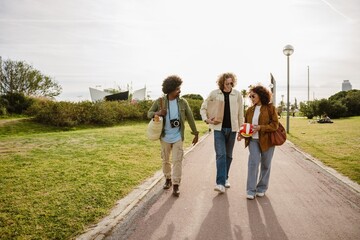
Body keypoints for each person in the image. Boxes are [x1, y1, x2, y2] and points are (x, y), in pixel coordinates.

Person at [147, 75, 199, 197]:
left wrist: (195, 133)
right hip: (164, 136)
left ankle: (176, 185)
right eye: (177, 89)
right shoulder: (160, 101)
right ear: (170, 90)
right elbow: (148, 113)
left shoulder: (183, 102)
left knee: (177, 161)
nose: (179, 91)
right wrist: (159, 113)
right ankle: (168, 179)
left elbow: (190, 118)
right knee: (165, 160)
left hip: (177, 137)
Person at [200, 73, 244, 193]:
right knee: (221, 155)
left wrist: (241, 130)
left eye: (231, 83)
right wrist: (206, 119)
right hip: (218, 129)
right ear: (222, 83)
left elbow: (241, 114)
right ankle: (220, 183)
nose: (229, 85)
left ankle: (225, 178)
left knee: (229, 156)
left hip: (233, 129)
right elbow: (203, 108)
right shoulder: (214, 93)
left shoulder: (237, 94)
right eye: (227, 83)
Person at [237, 85, 279, 200]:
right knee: (253, 163)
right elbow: (245, 125)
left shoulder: (270, 108)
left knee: (266, 164)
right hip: (253, 141)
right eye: (250, 96)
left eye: (253, 96)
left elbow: (275, 125)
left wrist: (261, 127)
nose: (251, 98)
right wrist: (241, 134)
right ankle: (250, 190)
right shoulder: (249, 110)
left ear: (260, 95)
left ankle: (262, 188)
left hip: (267, 141)